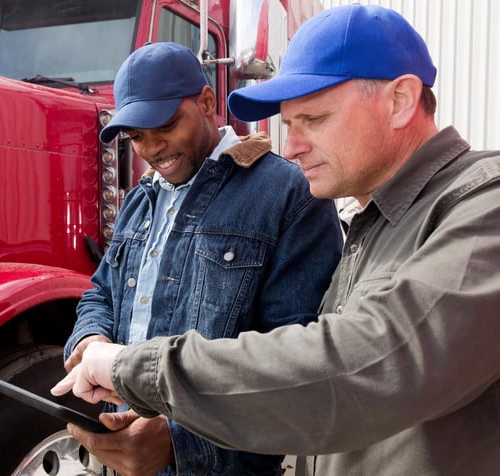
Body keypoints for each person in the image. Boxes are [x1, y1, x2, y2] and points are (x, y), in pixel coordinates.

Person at [52, 4, 500, 475]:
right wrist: (98, 344)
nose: (291, 147)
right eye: (289, 124)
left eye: (315, 118)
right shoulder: (376, 222)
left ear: (400, 100)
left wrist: (132, 371)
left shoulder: (483, 205)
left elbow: (359, 364)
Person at [62, 41, 343, 475]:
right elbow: (101, 292)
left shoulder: (289, 194)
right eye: (137, 136)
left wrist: (178, 442)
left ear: (208, 101)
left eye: (166, 126)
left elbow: (294, 366)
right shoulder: (140, 199)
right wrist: (90, 341)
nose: (153, 149)